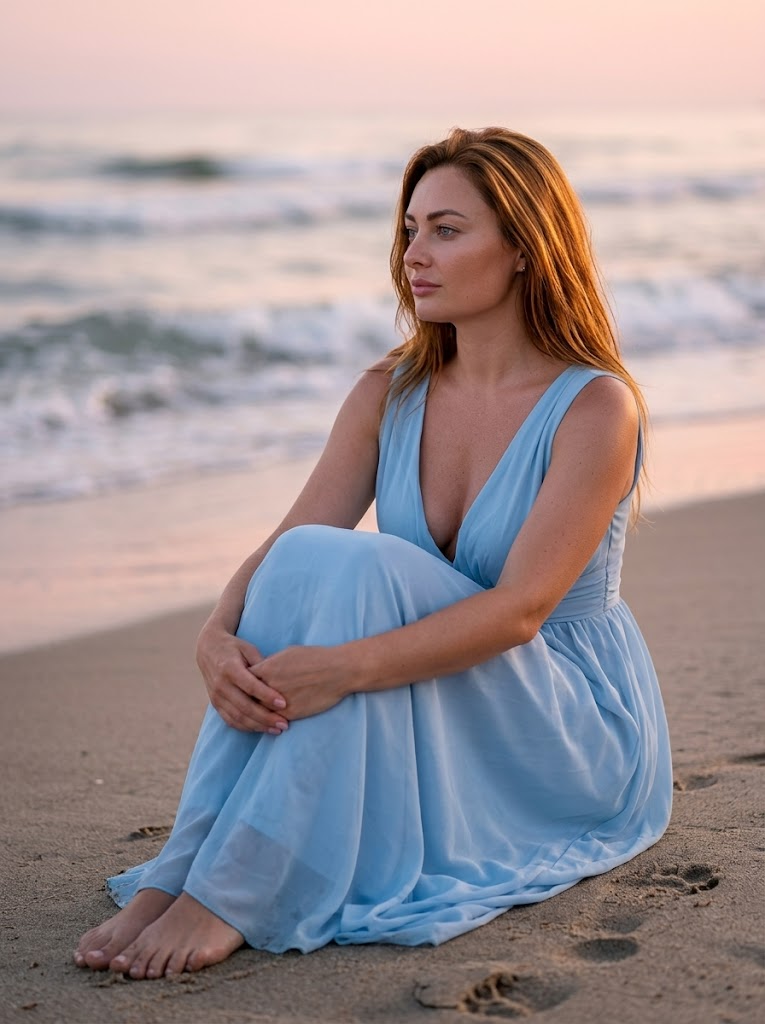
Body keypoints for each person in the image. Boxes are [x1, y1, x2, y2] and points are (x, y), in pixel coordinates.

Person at [75, 127, 672, 980]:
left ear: (522, 249)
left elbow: (519, 611)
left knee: (360, 568)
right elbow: (289, 543)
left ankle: (233, 888)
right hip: (435, 678)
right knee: (315, 557)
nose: (412, 255)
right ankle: (187, 865)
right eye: (407, 229)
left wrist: (346, 669)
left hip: (566, 717)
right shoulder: (388, 390)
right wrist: (214, 634)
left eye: (445, 230)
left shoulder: (595, 408)